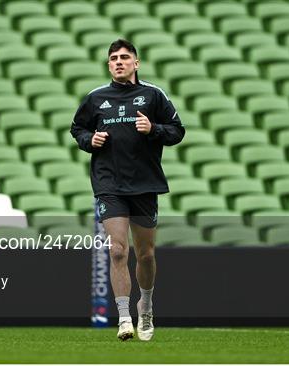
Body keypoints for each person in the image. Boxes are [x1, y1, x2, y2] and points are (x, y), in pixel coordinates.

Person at [70, 39, 185, 341]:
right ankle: (123, 318)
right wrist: (88, 140)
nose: (118, 62)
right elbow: (77, 129)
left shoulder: (153, 95)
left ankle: (144, 306)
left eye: (124, 57)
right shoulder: (96, 98)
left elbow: (177, 131)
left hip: (145, 183)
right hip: (109, 184)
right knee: (118, 249)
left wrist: (154, 129)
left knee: (145, 254)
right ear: (109, 65)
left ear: (136, 63)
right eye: (113, 58)